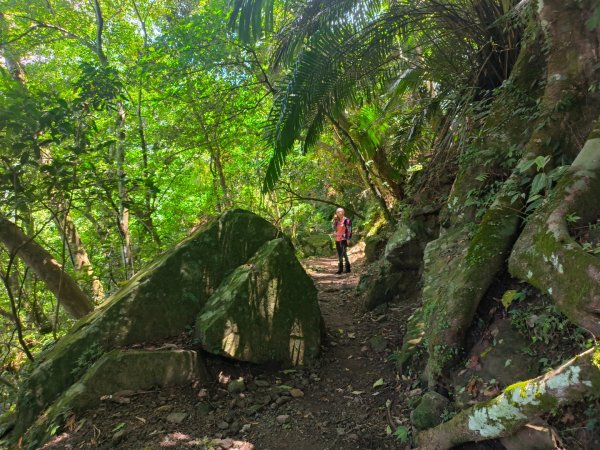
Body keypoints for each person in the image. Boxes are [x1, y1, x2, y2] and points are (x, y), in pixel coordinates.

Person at [332, 207, 352, 274]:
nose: (339, 213)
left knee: (343, 253)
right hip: (337, 239)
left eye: (340, 211)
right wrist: (334, 221)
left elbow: (349, 230)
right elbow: (334, 228)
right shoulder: (336, 221)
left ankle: (343, 269)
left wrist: (348, 239)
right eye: (337, 212)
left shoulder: (347, 220)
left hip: (344, 239)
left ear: (343, 212)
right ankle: (344, 269)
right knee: (340, 254)